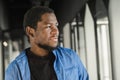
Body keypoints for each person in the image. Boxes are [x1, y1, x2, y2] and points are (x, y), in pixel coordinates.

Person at [5, 6, 89, 80]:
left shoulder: (71, 57)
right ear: (30, 32)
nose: (56, 31)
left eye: (56, 25)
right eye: (48, 26)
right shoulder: (16, 69)